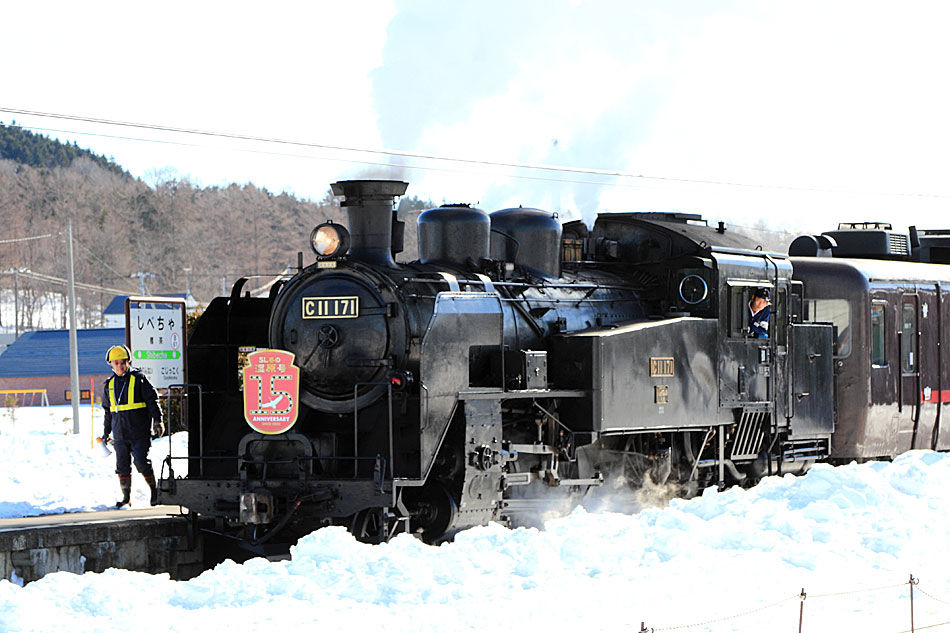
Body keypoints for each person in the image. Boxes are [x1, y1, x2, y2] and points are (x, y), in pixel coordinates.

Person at [100, 344, 164, 507]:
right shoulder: (109, 385)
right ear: (111, 364)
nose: (120, 366)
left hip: (139, 433)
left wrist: (158, 420)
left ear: (128, 362)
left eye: (123, 362)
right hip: (120, 435)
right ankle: (126, 497)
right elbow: (108, 411)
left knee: (141, 462)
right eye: (116, 363)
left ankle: (154, 492)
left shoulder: (139, 379)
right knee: (122, 467)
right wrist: (106, 432)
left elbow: (152, 401)